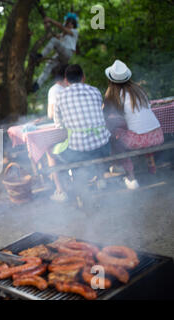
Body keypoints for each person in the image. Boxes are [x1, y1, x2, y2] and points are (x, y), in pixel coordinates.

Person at [47, 64, 111, 201]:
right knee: (94, 143)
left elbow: (59, 126)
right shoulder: (95, 91)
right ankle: (100, 179)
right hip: (103, 147)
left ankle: (68, 188)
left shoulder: (60, 97)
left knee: (53, 152)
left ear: (66, 80)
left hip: (79, 151)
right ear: (83, 77)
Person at [103, 59, 164, 190]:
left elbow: (109, 117)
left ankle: (130, 177)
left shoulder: (116, 95)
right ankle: (151, 165)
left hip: (140, 140)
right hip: (158, 135)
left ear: (111, 80)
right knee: (140, 127)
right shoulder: (139, 90)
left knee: (115, 137)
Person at [32, 13, 79, 92]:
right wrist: (47, 26)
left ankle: (40, 55)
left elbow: (61, 27)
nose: (68, 25)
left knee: (54, 41)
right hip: (61, 56)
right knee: (49, 65)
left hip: (67, 53)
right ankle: (37, 85)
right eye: (68, 23)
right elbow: (53, 35)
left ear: (73, 25)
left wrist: (50, 20)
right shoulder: (62, 35)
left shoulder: (74, 32)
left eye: (71, 23)